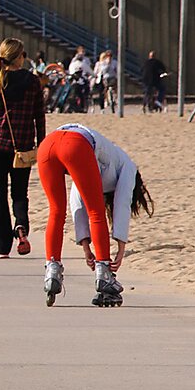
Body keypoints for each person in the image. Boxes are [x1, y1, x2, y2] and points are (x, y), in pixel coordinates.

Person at [38, 123, 154, 307]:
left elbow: (76, 201)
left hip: (48, 145)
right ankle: (104, 275)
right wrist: (121, 246)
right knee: (96, 211)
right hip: (76, 144)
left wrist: (85, 245)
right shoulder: (128, 166)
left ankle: (52, 270)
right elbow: (122, 203)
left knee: (56, 211)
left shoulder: (102, 160)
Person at [0, 38, 45, 258]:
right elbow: (39, 115)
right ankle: (21, 225)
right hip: (23, 146)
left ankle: (3, 246)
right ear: (19, 57)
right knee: (19, 193)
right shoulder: (33, 81)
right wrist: (41, 142)